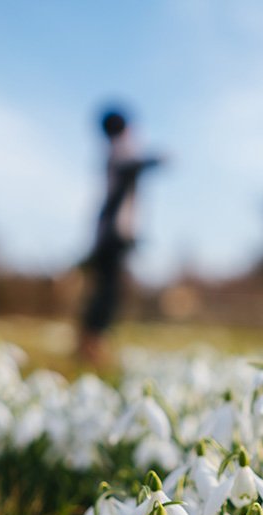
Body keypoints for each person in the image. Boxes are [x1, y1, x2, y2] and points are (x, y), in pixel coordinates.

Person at [78, 106, 164, 365]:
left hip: (111, 231)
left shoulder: (114, 150)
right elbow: (131, 169)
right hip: (113, 233)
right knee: (109, 290)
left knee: (107, 288)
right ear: (124, 128)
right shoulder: (121, 149)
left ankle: (91, 340)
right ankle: (91, 343)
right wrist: (154, 160)